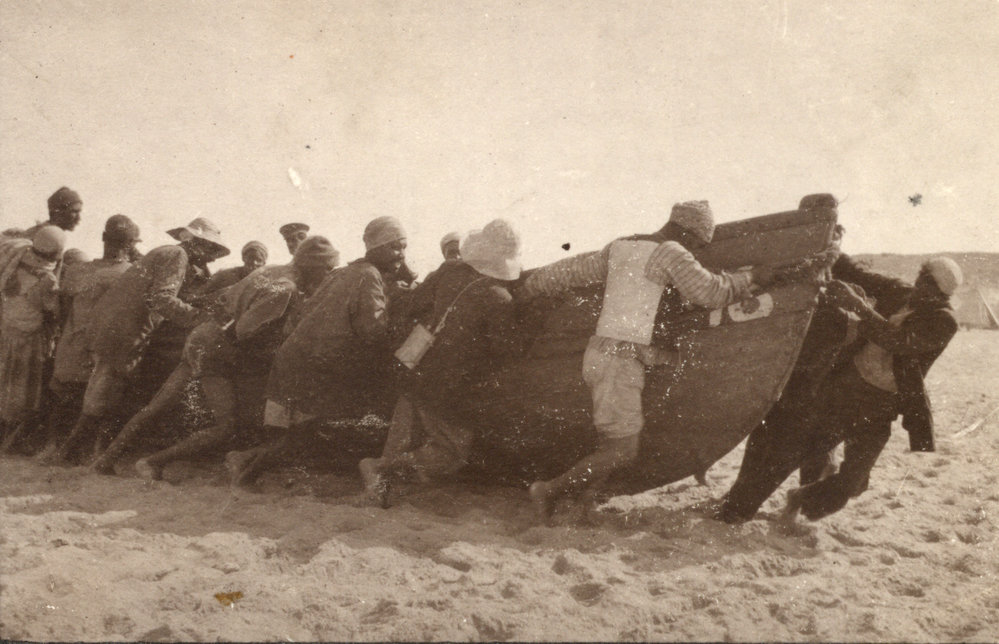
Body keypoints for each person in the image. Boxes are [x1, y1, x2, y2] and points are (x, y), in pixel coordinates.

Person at [520, 201, 775, 521]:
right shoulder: (671, 253)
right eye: (698, 244)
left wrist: (529, 286)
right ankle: (548, 491)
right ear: (692, 235)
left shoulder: (622, 246)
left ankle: (583, 502)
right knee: (622, 450)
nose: (697, 250)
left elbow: (571, 270)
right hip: (621, 363)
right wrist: (751, 278)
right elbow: (710, 292)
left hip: (604, 356)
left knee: (612, 443)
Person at [721, 254, 962, 524]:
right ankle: (736, 510)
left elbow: (897, 341)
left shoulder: (944, 322)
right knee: (792, 453)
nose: (918, 291)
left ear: (940, 296)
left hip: (881, 406)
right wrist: (830, 243)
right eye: (919, 282)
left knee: (855, 482)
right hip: (846, 390)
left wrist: (858, 306)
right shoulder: (900, 291)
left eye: (927, 289)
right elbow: (855, 273)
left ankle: (800, 498)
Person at [90, 237, 340, 477]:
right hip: (217, 349)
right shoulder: (285, 288)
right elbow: (245, 330)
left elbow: (225, 298)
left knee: (157, 405)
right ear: (313, 265)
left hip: (203, 336)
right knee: (225, 427)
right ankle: (152, 462)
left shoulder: (272, 271)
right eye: (327, 269)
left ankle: (107, 459)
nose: (329, 275)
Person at [226, 216, 408, 488]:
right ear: (376, 248)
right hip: (315, 363)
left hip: (300, 357)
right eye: (396, 248)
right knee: (305, 432)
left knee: (303, 430)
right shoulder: (368, 276)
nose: (402, 254)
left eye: (404, 248)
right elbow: (373, 331)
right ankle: (245, 475)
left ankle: (244, 463)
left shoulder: (347, 272)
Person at [359, 219, 525, 507]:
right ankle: (381, 469)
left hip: (413, 364)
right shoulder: (499, 298)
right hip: (446, 382)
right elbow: (506, 351)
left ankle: (380, 478)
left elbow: (413, 304)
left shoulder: (450, 271)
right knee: (452, 451)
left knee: (405, 426)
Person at [50, 217, 229, 464]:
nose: (212, 258)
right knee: (104, 394)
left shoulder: (166, 252)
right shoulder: (177, 256)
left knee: (107, 393)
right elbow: (162, 300)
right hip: (126, 332)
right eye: (210, 250)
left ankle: (86, 453)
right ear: (197, 244)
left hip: (116, 328)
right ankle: (72, 454)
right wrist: (200, 317)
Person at [29, 216, 141, 458]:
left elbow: (63, 311)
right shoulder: (131, 275)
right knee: (97, 404)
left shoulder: (78, 271)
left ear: (103, 238)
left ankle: (52, 448)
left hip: (72, 345)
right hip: (103, 350)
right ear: (131, 244)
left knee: (63, 398)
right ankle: (88, 453)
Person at [0, 226, 65, 451]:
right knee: (24, 390)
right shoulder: (47, 279)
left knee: (5, 383)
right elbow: (52, 311)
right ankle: (12, 440)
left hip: (7, 332)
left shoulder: (16, 258)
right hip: (29, 339)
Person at [2, 187, 83, 238]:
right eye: (74, 211)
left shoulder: (45, 232)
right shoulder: (47, 236)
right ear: (57, 212)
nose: (79, 218)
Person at [194, 241, 268, 297]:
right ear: (243, 258)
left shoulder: (267, 282)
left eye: (259, 260)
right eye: (251, 258)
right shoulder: (224, 275)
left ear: (264, 263)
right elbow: (199, 294)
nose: (254, 263)